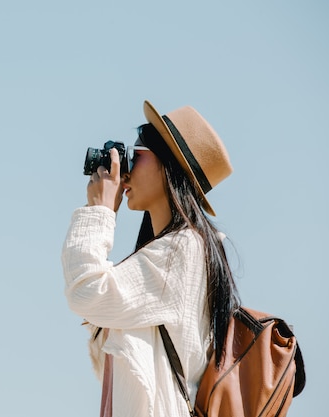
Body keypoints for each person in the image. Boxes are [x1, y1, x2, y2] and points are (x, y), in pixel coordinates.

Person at [61, 100, 240, 417]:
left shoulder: (184, 250)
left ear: (168, 166)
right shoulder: (170, 252)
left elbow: (86, 290)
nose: (125, 168)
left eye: (137, 154)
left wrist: (100, 212)